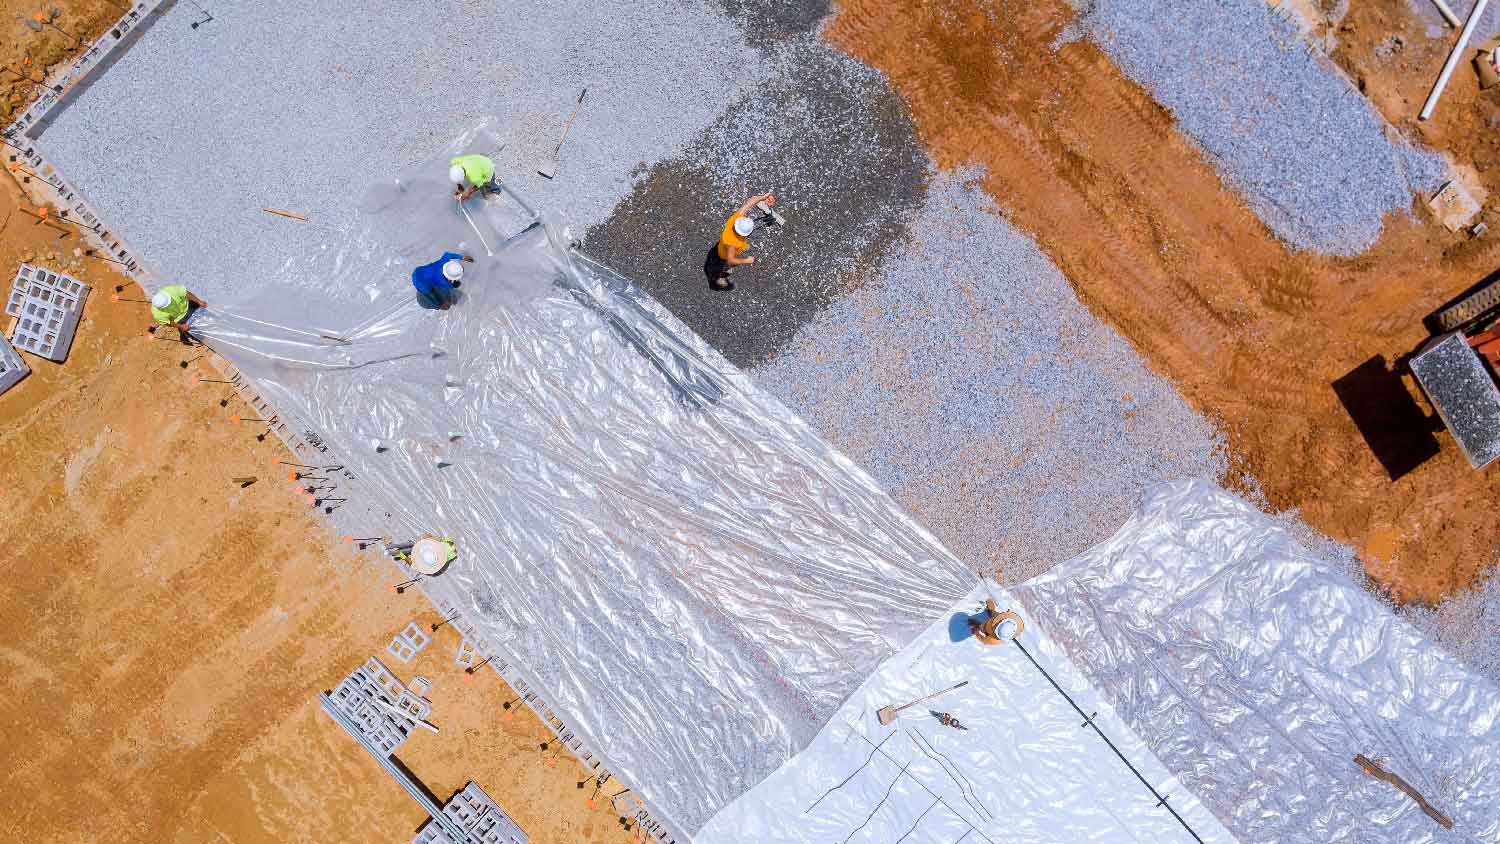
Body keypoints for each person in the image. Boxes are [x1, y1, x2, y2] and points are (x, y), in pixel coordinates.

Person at [704, 191, 775, 292]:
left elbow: (748, 204)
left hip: (720, 248)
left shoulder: (734, 220)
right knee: (722, 268)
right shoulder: (732, 244)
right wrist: (747, 260)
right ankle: (716, 279)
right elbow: (731, 260)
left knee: (723, 266)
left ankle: (719, 273)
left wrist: (762, 197)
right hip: (721, 258)